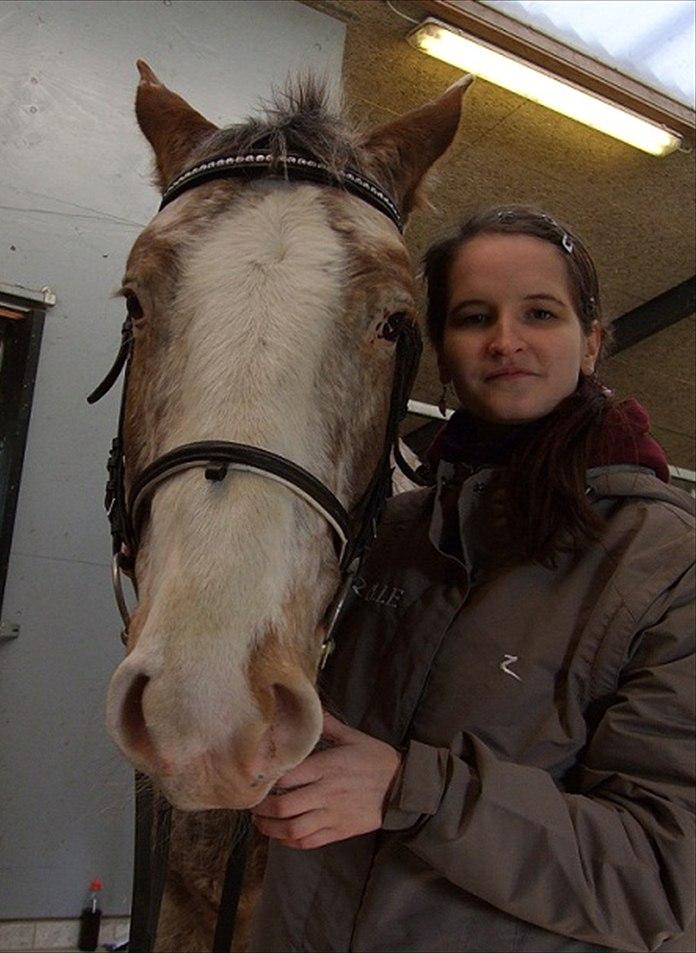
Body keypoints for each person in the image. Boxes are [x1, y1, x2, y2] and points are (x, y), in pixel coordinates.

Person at [248, 205, 695, 953]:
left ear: (591, 343)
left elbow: (665, 877)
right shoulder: (390, 533)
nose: (505, 340)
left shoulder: (666, 563)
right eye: (474, 317)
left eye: (540, 313)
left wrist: (412, 792)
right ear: (444, 354)